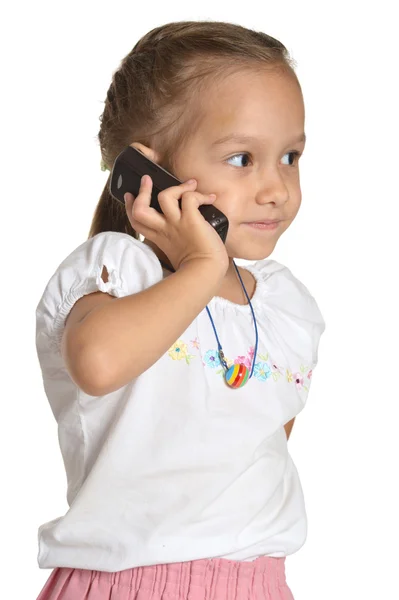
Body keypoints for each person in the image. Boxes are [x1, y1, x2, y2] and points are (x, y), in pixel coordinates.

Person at [35, 19, 326, 600]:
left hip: (257, 585)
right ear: (149, 172)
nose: (277, 188)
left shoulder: (282, 305)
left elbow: (255, 439)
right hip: (130, 585)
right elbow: (97, 362)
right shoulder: (115, 271)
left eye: (290, 156)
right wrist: (199, 266)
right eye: (242, 159)